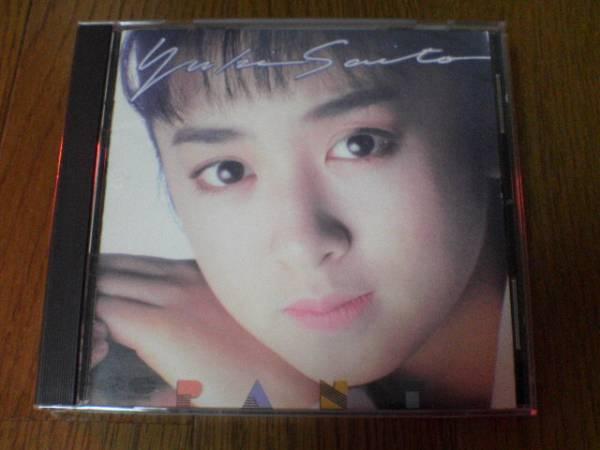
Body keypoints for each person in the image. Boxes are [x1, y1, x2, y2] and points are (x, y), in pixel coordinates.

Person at [90, 27, 515, 409]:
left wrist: (291, 407)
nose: (302, 245)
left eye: (360, 144)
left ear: (487, 130)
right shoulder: (144, 360)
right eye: (227, 171)